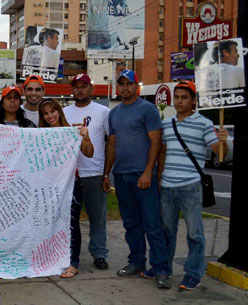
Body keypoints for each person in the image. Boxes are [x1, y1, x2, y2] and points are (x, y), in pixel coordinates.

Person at [102, 70, 171, 289]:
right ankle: (137, 262)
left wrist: (148, 171)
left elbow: (156, 143)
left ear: (136, 86)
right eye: (121, 84)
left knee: (152, 224)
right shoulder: (114, 113)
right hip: (121, 176)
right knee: (131, 223)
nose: (124, 88)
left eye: (128, 83)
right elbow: (112, 145)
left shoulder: (147, 109)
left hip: (143, 176)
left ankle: (161, 269)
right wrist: (106, 173)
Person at [157, 81, 228, 290]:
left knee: (194, 233)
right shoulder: (166, 123)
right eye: (176, 97)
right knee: (166, 231)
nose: (179, 101)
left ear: (193, 100)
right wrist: (159, 178)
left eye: (184, 97)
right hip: (167, 186)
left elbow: (216, 150)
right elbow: (162, 153)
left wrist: (222, 141)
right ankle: (164, 269)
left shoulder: (204, 123)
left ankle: (193, 274)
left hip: (191, 186)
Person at [38, 98, 93, 278]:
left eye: (52, 111)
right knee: (49, 222)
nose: (50, 116)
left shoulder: (73, 131)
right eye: (45, 113)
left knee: (71, 223)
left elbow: (89, 152)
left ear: (59, 111)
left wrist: (85, 135)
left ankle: (73, 262)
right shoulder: (40, 134)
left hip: (71, 184)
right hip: (49, 186)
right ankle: (53, 258)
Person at [63, 74, 111, 271]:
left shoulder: (103, 112)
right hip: (69, 174)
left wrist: (106, 173)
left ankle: (99, 253)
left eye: (84, 86)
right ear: (72, 90)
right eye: (76, 86)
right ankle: (67, 252)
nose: (80, 90)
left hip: (94, 172)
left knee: (97, 217)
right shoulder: (64, 112)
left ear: (91, 89)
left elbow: (111, 142)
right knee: (68, 219)